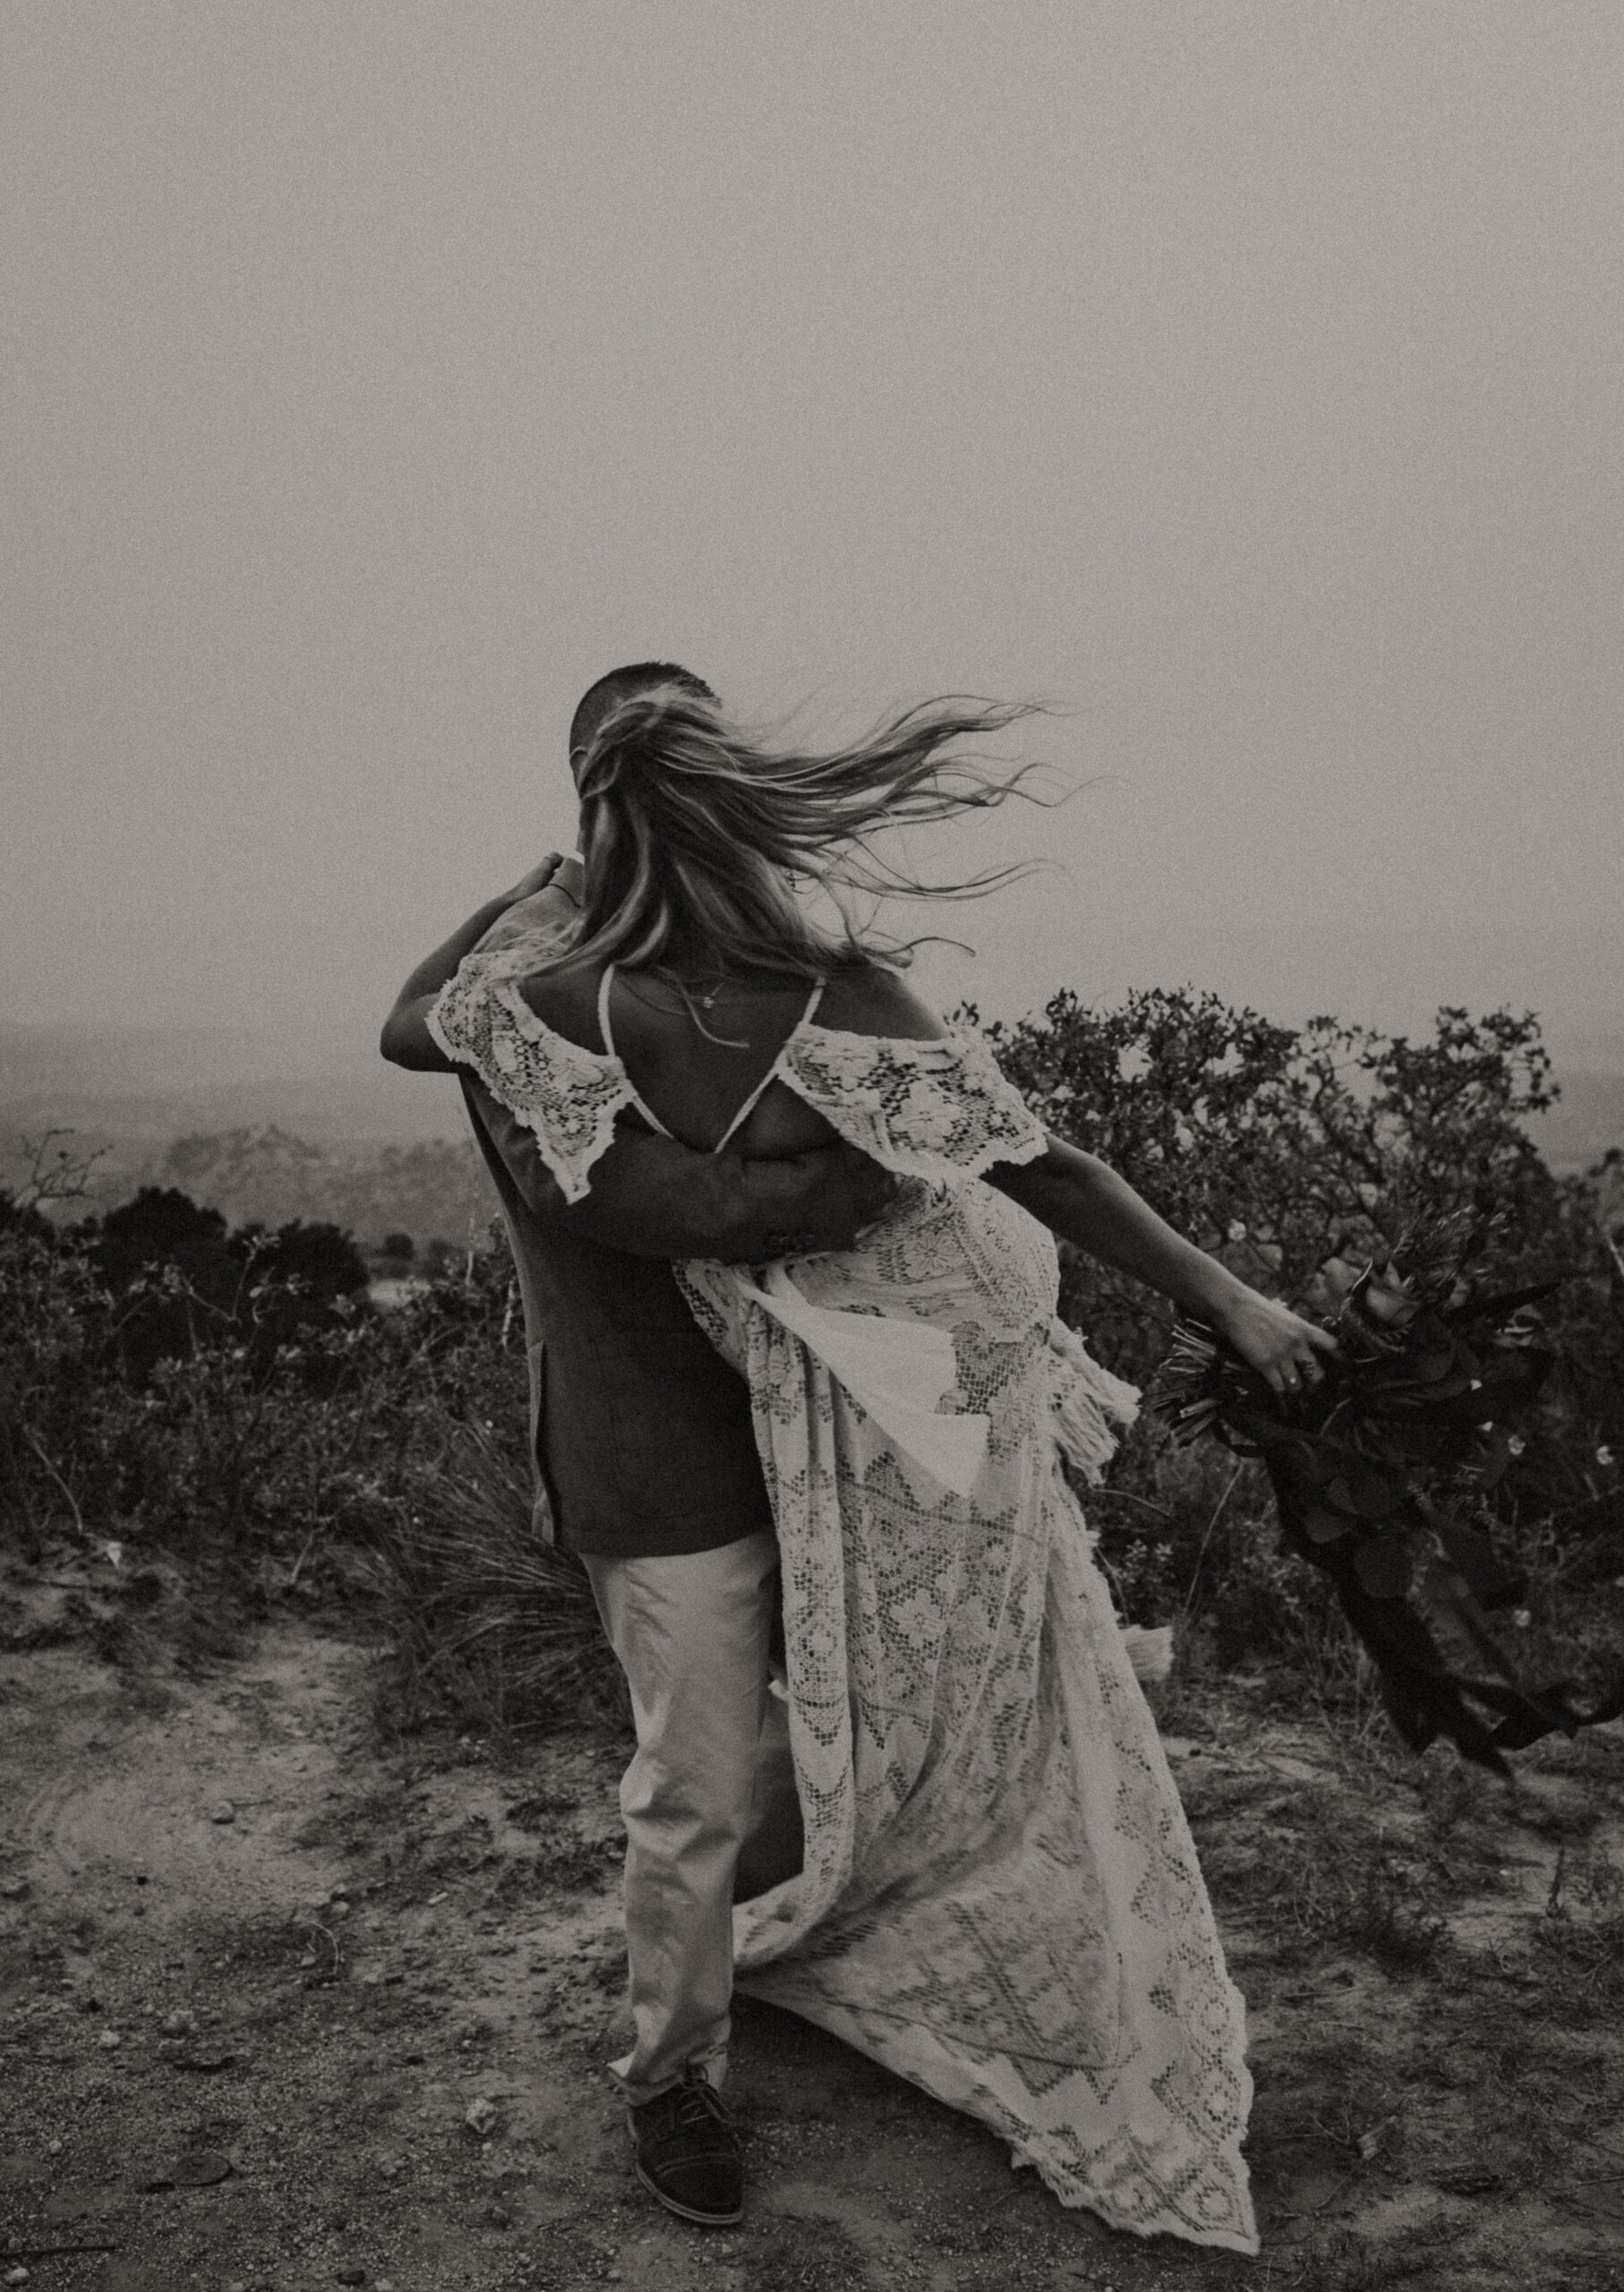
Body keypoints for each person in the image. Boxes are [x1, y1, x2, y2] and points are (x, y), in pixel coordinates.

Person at [385, 667, 1332, 2254]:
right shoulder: (538, 1000)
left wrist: (1232, 1301)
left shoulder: (827, 995)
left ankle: (795, 1940)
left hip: (852, 1442)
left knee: (862, 1734)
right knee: (690, 1779)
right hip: (655, 1452)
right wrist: (551, 883)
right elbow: (413, 1026)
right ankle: (669, 2074)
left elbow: (1045, 1162)